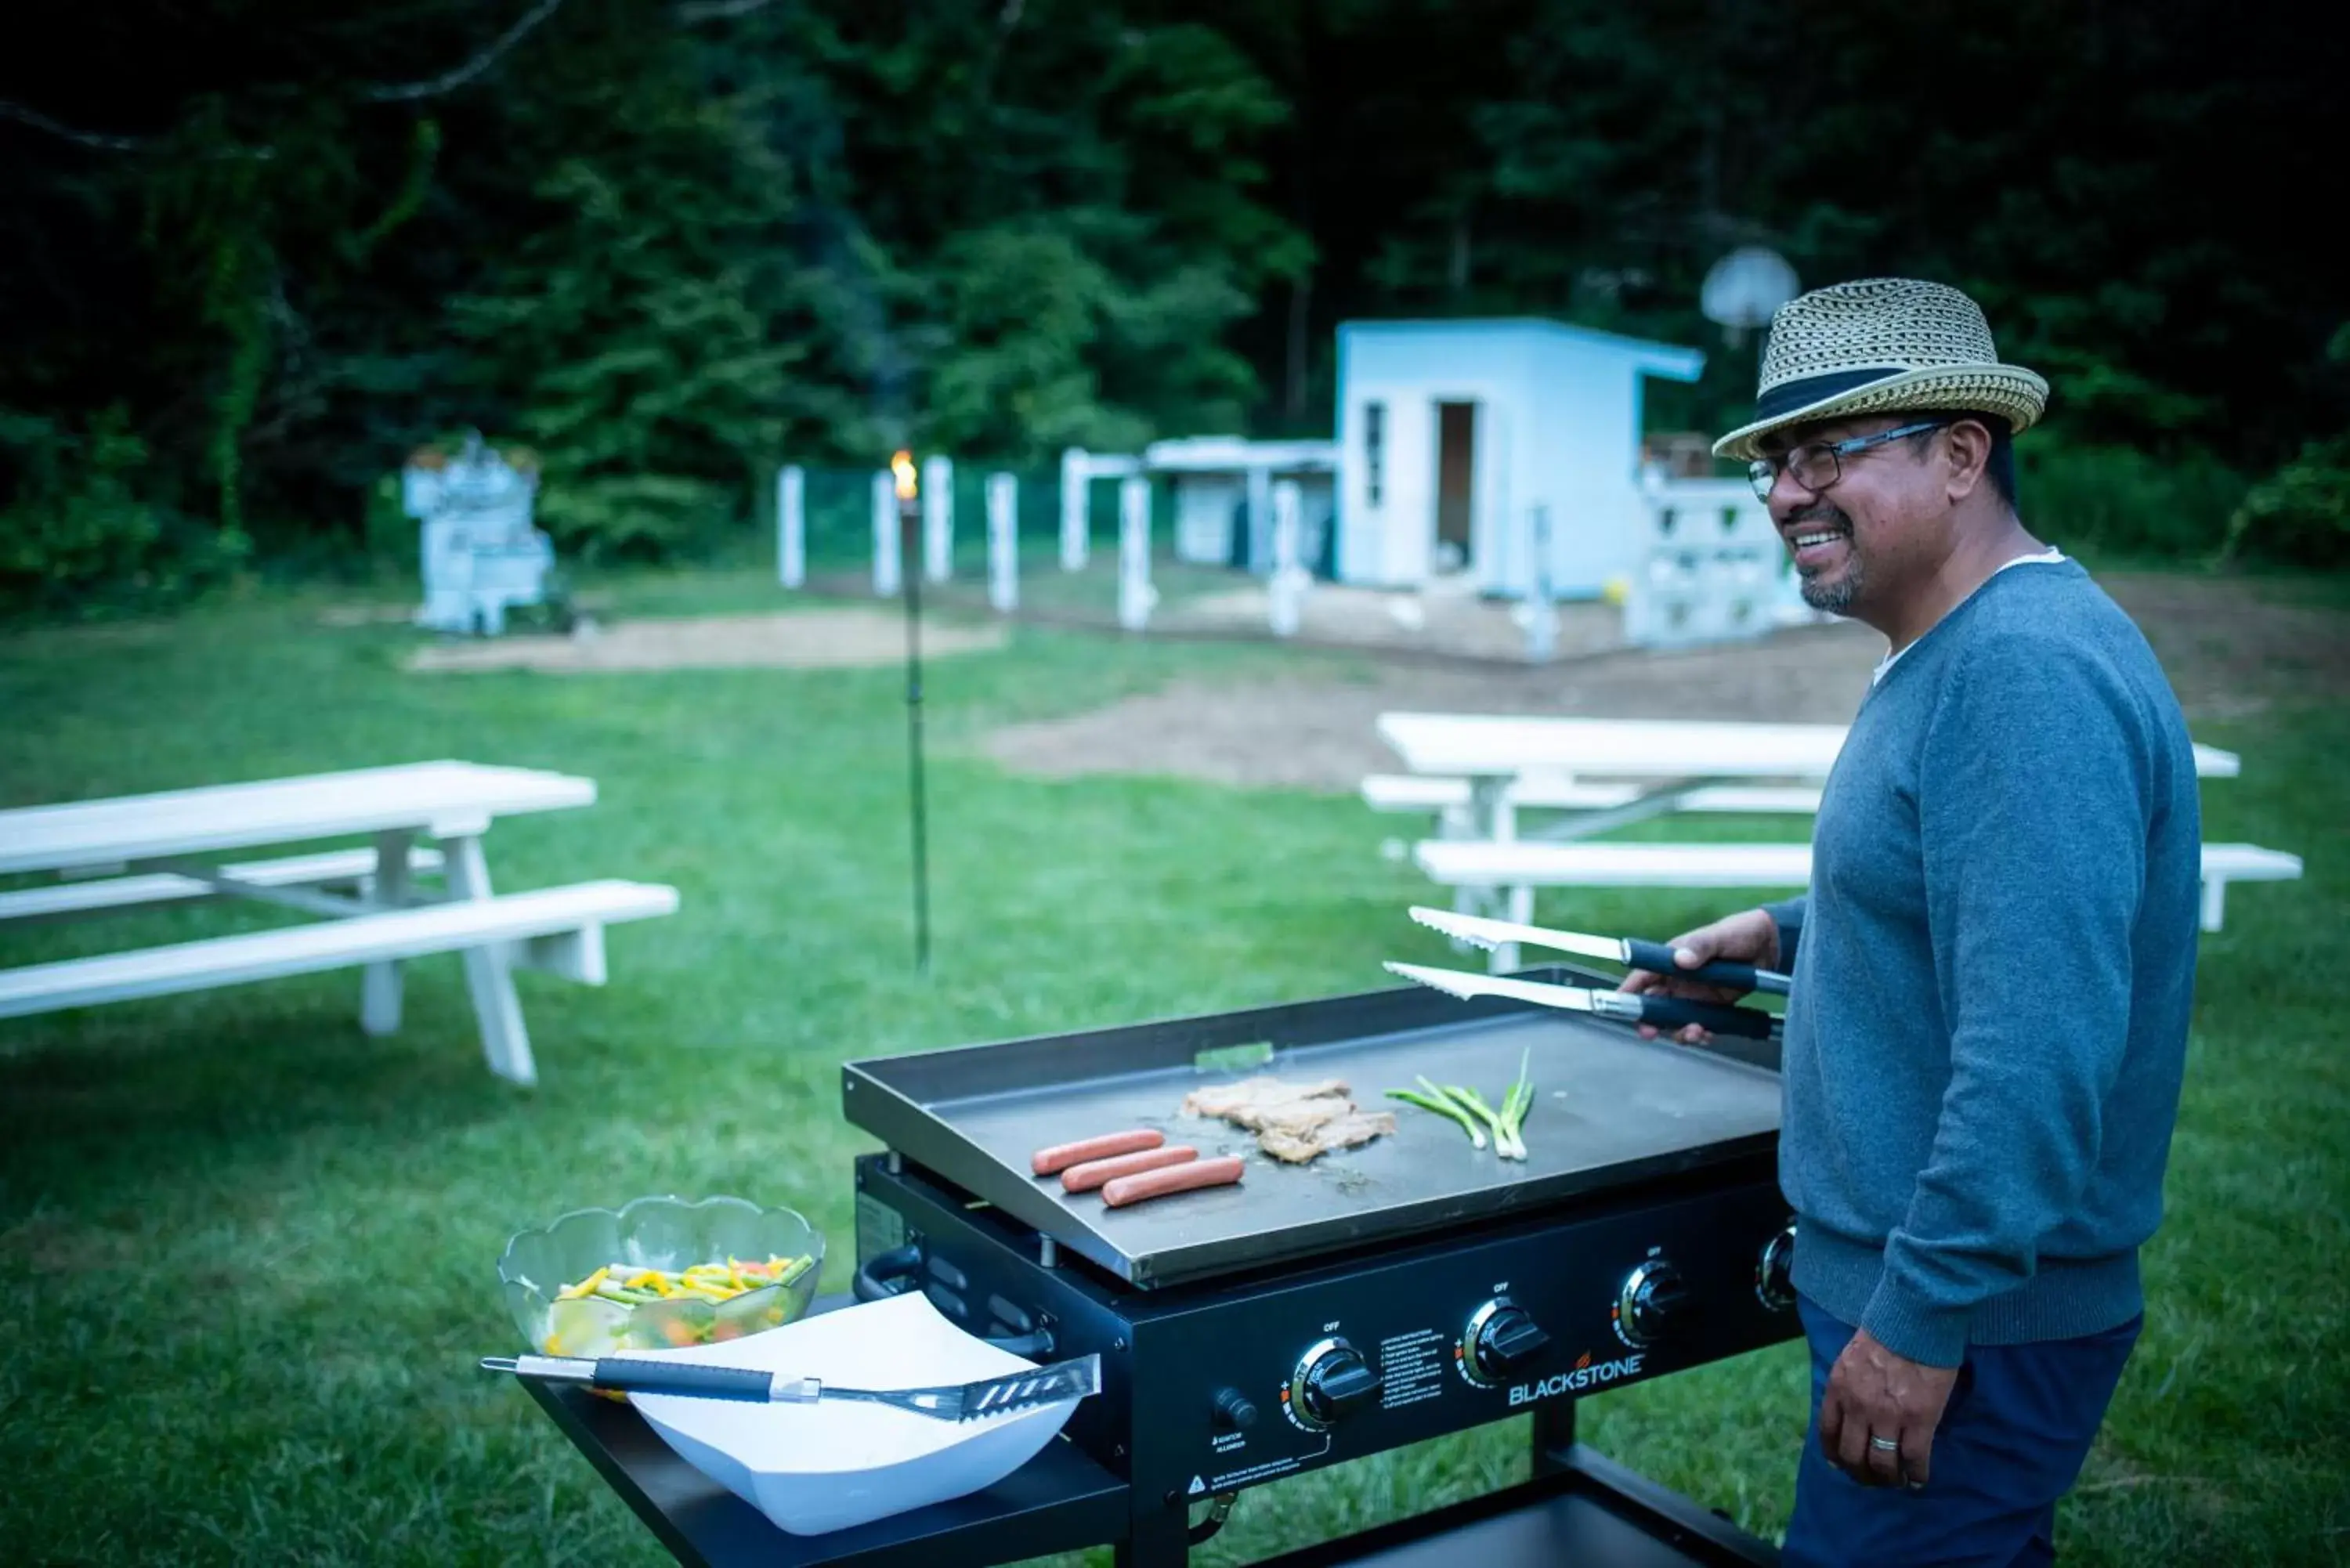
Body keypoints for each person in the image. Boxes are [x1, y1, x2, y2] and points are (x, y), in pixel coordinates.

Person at [1622, 279, 2202, 1566]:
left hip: (1975, 1313)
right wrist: (1789, 931)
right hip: (1942, 1296)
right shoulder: (1961, 646)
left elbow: (2039, 1044)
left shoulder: (2020, 671)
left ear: (1960, 455)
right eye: (1775, 460)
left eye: (1829, 452)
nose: (1784, 493)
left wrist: (1922, 1319)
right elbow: (1979, 898)